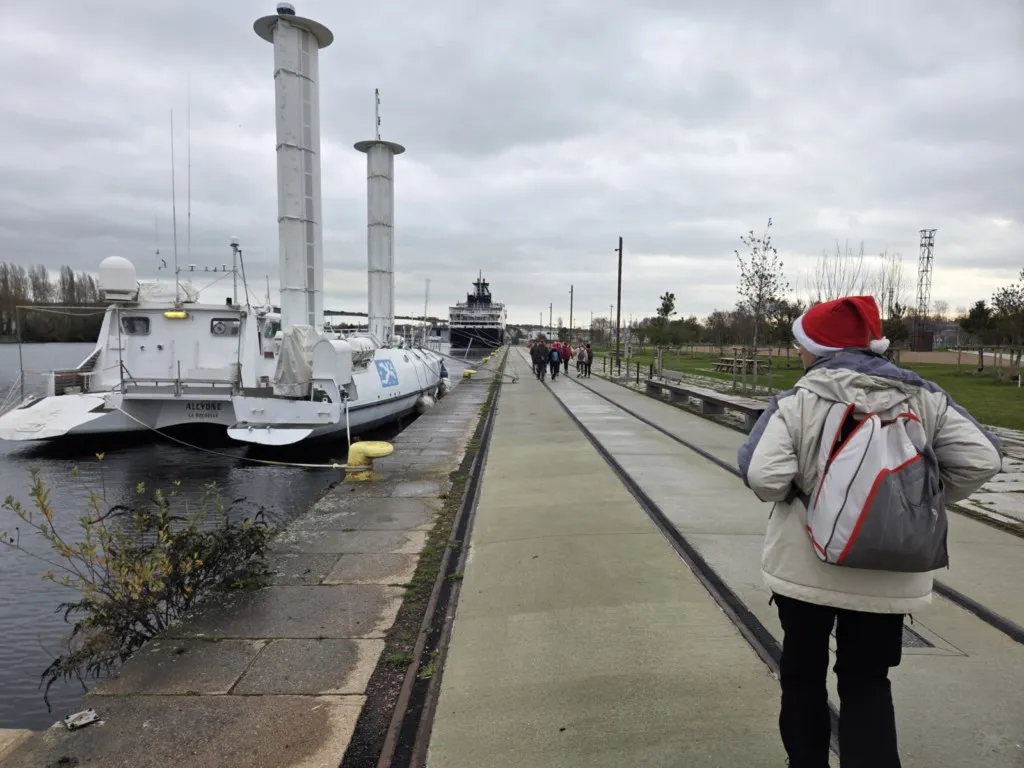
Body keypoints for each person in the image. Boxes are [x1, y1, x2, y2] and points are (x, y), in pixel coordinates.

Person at [737, 295, 1002, 768]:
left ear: (818, 348)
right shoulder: (924, 396)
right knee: (868, 681)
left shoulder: (800, 399)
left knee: (802, 676)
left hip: (807, 570)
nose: (799, 353)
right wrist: (914, 503)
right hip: (889, 572)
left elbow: (764, 475)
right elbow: (983, 459)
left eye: (801, 344)